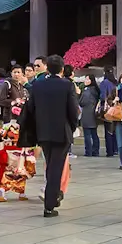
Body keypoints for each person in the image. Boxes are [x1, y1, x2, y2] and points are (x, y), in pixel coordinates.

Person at [20, 54, 77, 218]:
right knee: (55, 168)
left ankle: (54, 195)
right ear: (61, 69)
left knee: (51, 164)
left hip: (43, 132)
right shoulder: (67, 85)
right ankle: (49, 205)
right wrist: (71, 127)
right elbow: (73, 111)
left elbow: (31, 108)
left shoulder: (38, 85)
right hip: (61, 132)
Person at [78, 70, 102, 157]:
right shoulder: (95, 90)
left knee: (87, 134)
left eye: (87, 79)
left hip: (87, 114)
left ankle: (88, 151)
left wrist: (79, 95)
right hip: (94, 114)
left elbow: (82, 102)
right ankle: (96, 151)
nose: (85, 81)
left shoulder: (87, 90)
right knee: (94, 134)